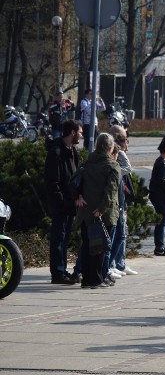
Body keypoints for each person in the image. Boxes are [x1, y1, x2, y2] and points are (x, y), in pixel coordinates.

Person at [75, 133, 121, 289]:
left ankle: (86, 280)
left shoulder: (87, 162)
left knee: (87, 246)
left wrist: (78, 196)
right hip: (103, 213)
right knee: (100, 248)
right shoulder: (112, 166)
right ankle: (96, 280)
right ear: (110, 147)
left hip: (85, 210)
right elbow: (111, 190)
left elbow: (75, 181)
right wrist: (101, 209)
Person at [44, 120, 83, 285]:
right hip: (61, 205)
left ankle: (62, 270)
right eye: (80, 131)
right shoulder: (56, 152)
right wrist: (61, 202)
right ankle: (58, 274)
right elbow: (53, 182)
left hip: (70, 204)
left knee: (64, 240)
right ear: (72, 132)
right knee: (58, 240)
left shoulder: (72, 151)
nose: (81, 134)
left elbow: (75, 178)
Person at [107, 126, 138, 278]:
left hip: (122, 200)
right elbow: (127, 169)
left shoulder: (119, 155)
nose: (127, 144)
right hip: (113, 203)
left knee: (122, 234)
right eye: (125, 140)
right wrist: (121, 153)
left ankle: (119, 263)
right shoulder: (115, 156)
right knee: (117, 235)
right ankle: (111, 265)